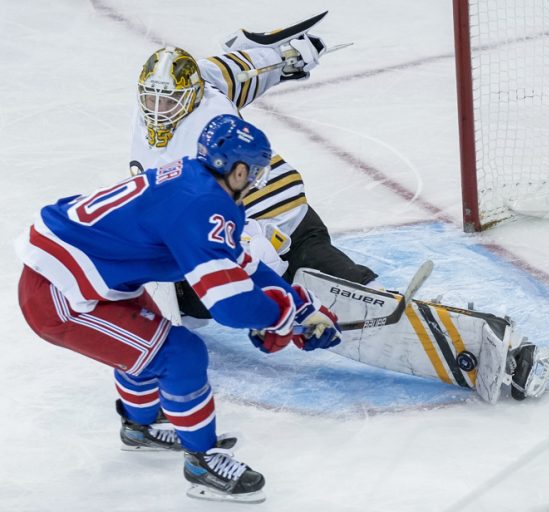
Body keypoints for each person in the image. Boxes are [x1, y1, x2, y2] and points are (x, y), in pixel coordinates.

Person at [16, 115, 342, 503]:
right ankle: (201, 464)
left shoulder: (198, 183)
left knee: (146, 344)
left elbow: (242, 266)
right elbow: (231, 306)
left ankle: (140, 428)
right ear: (238, 171)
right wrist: (280, 319)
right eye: (253, 172)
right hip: (59, 292)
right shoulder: (203, 205)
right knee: (179, 354)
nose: (256, 181)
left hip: (94, 272)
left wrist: (300, 308)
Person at [129, 23, 377, 321]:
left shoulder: (212, 124)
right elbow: (234, 68)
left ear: (192, 96)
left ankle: (376, 298)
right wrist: (281, 57)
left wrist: (252, 245)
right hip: (250, 217)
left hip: (277, 215)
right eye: (152, 97)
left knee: (305, 260)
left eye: (169, 101)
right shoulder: (203, 82)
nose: (158, 109)